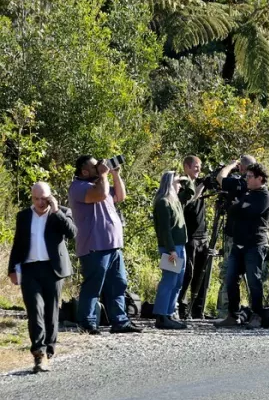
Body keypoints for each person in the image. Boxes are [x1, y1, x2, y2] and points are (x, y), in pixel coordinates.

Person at [69, 155, 141, 334]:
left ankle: (120, 321)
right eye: (95, 167)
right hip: (94, 246)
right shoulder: (78, 187)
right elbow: (100, 195)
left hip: (113, 245)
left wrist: (115, 174)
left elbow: (121, 196)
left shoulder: (101, 183)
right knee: (94, 285)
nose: (100, 167)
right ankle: (87, 321)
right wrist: (103, 175)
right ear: (84, 171)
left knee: (119, 283)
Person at [8, 182, 75, 372]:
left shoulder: (61, 212)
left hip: (52, 269)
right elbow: (18, 243)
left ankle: (50, 349)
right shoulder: (24, 216)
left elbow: (72, 233)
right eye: (36, 198)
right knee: (34, 310)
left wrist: (56, 211)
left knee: (51, 312)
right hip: (29, 268)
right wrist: (12, 268)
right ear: (32, 197)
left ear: (50, 196)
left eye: (43, 198)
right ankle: (39, 353)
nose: (40, 202)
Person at [220, 163, 269, 329]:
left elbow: (248, 212)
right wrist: (238, 206)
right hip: (238, 244)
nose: (246, 179)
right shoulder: (248, 194)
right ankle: (233, 314)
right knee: (230, 278)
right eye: (246, 176)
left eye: (250, 176)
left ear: (260, 178)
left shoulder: (266, 197)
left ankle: (257, 314)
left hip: (255, 245)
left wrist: (239, 206)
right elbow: (233, 211)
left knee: (254, 281)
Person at [214, 154, 256, 321]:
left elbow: (220, 178)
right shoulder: (257, 186)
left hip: (233, 234)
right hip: (252, 236)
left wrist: (230, 165)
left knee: (229, 272)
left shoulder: (237, 182)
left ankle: (225, 310)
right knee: (252, 274)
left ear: (241, 168)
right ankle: (254, 311)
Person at [152, 171, 189, 330]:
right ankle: (161, 315)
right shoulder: (163, 202)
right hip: (171, 248)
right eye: (177, 182)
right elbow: (164, 230)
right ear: (169, 183)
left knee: (178, 282)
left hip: (180, 247)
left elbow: (190, 191)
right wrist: (171, 249)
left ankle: (169, 312)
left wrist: (185, 177)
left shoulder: (175, 201)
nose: (180, 185)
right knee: (169, 280)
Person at [177, 156, 208, 318]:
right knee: (185, 273)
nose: (199, 169)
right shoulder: (181, 184)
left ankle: (198, 310)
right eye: (196, 167)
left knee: (201, 274)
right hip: (187, 237)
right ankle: (180, 307)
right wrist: (202, 186)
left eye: (200, 166)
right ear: (186, 167)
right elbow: (189, 200)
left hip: (203, 235)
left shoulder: (199, 182)